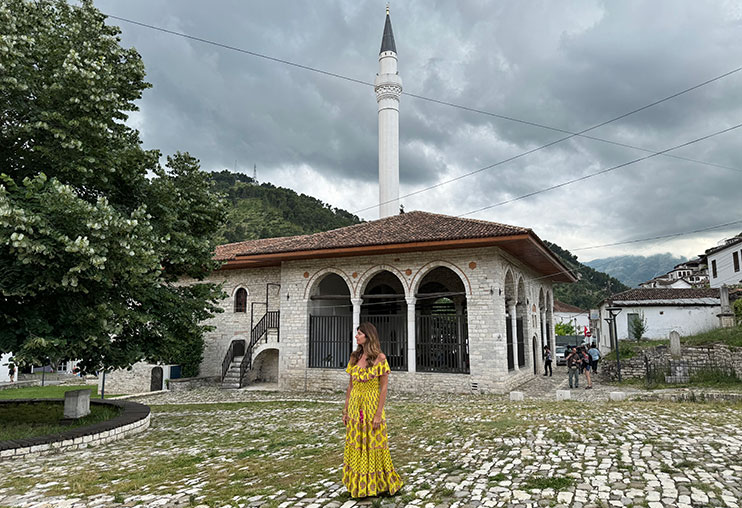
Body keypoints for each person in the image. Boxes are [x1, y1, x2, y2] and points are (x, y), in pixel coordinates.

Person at [343, 322, 403, 498]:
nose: (356, 336)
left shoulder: (380, 358)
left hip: (371, 406)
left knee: (375, 445)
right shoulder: (354, 357)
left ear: (368, 337)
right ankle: (359, 486)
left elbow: (383, 388)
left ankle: (379, 485)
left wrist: (378, 414)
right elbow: (350, 386)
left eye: (359, 333)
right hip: (355, 407)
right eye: (357, 333)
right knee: (357, 445)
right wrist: (345, 410)